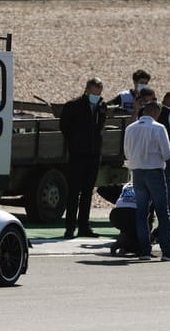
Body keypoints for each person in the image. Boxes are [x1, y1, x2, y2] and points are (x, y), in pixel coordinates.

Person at [124, 101, 170, 261]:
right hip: (154, 171)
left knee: (141, 212)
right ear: (156, 112)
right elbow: (167, 154)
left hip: (137, 172)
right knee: (162, 211)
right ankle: (166, 251)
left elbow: (126, 152)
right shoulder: (159, 128)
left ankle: (144, 250)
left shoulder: (130, 128)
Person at [60, 77, 107, 239]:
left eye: (99, 94)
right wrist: (76, 142)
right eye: (94, 93)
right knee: (74, 192)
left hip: (94, 154)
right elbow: (64, 127)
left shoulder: (102, 106)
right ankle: (70, 227)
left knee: (88, 192)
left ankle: (84, 226)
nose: (96, 96)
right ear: (86, 90)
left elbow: (100, 127)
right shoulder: (73, 106)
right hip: (77, 154)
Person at [109, 182, 139, 256]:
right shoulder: (150, 184)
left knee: (127, 227)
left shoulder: (127, 185)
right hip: (132, 214)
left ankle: (123, 242)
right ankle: (125, 243)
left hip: (115, 214)